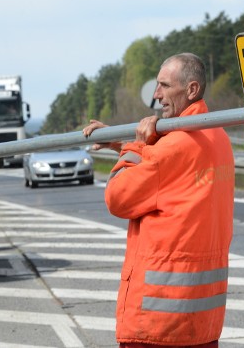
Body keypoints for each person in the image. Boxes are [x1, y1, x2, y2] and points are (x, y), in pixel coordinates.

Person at [83, 53, 235, 348]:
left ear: (191, 90)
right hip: (202, 322)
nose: (156, 95)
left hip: (158, 322)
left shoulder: (173, 146)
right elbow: (168, 180)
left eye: (165, 86)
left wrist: (139, 145)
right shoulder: (218, 137)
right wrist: (122, 144)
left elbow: (117, 196)